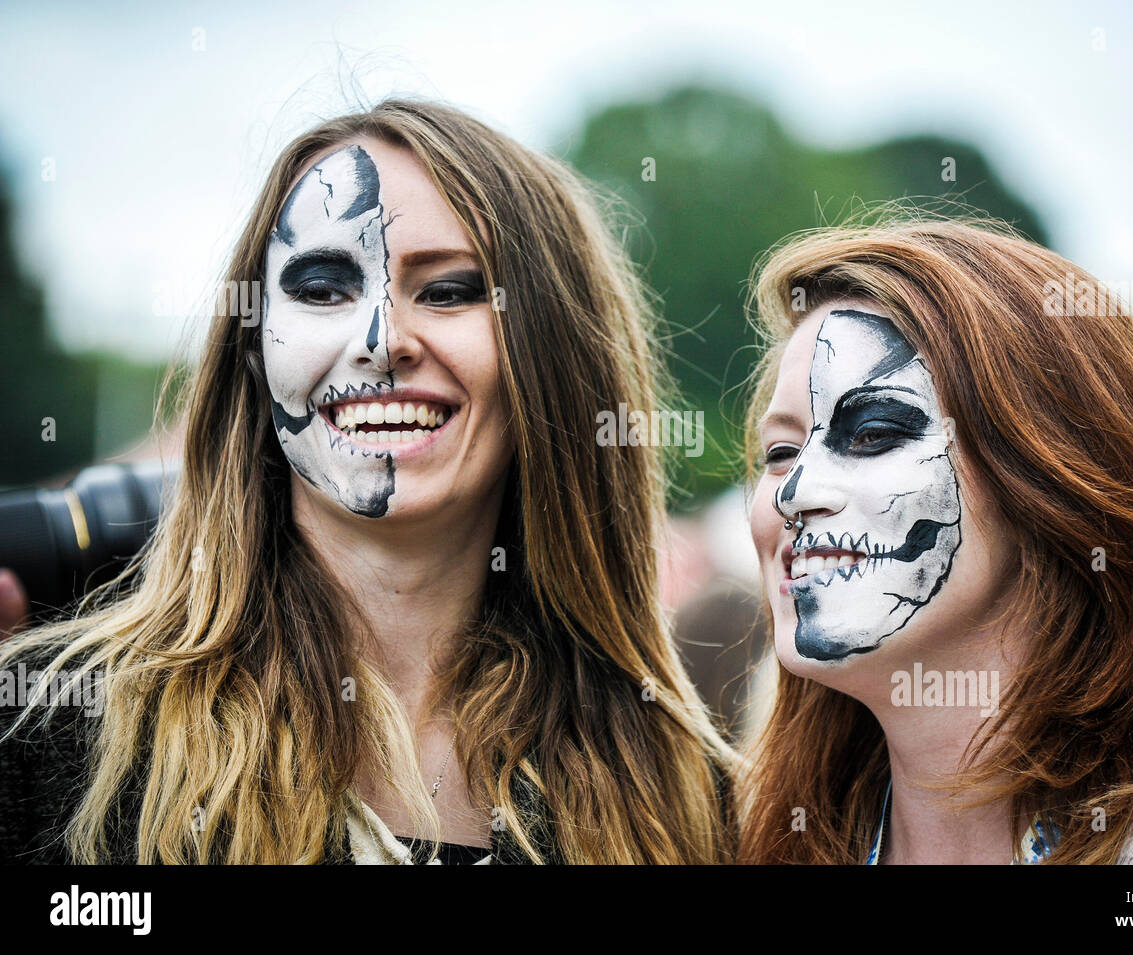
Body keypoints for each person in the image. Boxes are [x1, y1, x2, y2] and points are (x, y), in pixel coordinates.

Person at [0, 99, 733, 865]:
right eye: (321, 289)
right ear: (255, 354)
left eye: (448, 290)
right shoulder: (51, 732)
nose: (381, 343)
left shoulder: (676, 788)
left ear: (553, 357)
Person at [738, 216, 1133, 864]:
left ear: (1047, 483)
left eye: (872, 433)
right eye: (780, 450)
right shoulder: (776, 843)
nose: (793, 490)